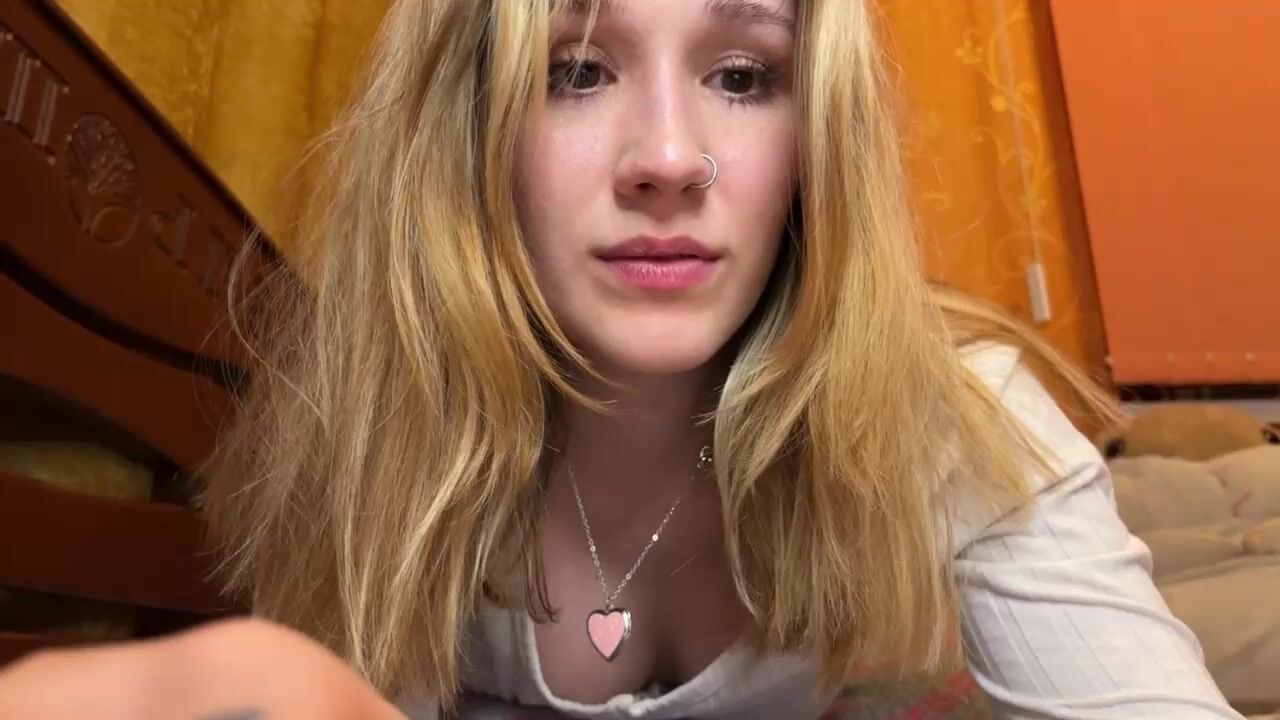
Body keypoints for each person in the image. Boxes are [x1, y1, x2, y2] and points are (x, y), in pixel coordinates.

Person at [0, 1, 1246, 718]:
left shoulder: (953, 413)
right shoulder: (377, 426)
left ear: (816, 131)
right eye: (577, 70)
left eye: (742, 75)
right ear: (463, 129)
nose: (666, 158)